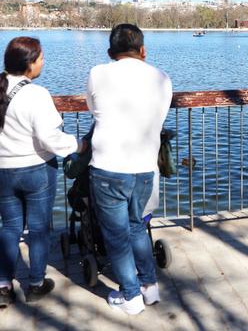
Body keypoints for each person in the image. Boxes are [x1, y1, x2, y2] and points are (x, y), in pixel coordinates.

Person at [0, 37, 80, 307]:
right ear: (30, 63)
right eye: (41, 57)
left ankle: (3, 287)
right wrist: (78, 144)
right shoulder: (36, 94)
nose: (43, 62)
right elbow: (49, 138)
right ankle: (36, 284)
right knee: (39, 229)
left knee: (10, 227)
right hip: (35, 169)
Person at [87, 24, 172, 315]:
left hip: (108, 168)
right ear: (143, 50)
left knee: (116, 234)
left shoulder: (98, 74)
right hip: (145, 167)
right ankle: (149, 286)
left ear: (110, 52)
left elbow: (93, 109)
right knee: (137, 227)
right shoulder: (162, 78)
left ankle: (131, 296)